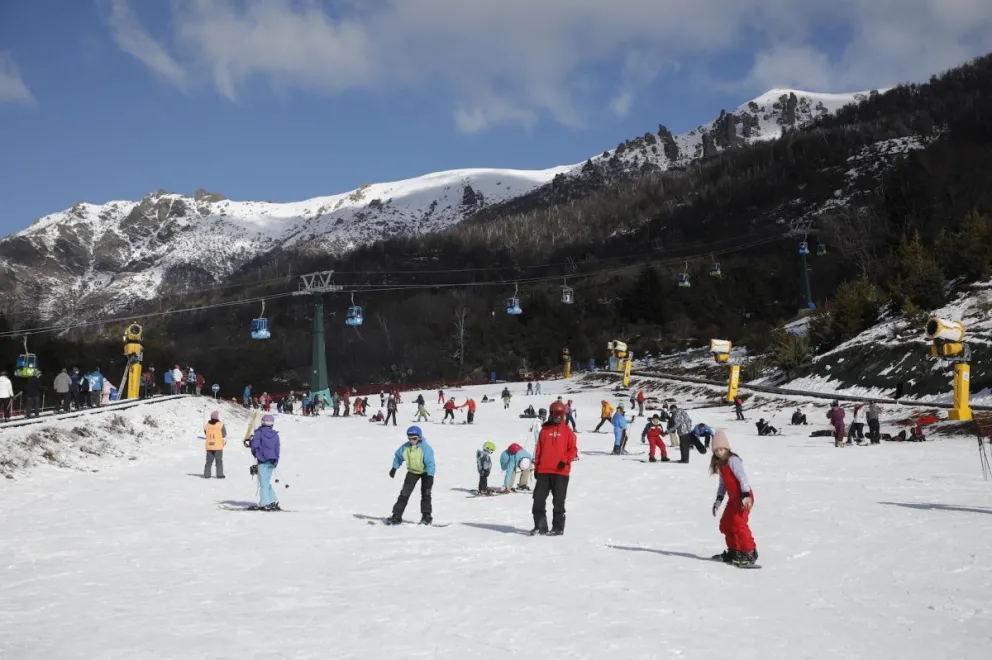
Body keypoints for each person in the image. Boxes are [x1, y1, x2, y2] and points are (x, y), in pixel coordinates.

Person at [710, 430, 758, 567]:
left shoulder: (733, 460)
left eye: (722, 449)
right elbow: (723, 485)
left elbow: (742, 477)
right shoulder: (721, 464)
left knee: (739, 524)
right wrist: (718, 500)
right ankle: (734, 551)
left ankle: (749, 552)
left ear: (727, 448)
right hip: (733, 499)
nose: (719, 452)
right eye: (716, 450)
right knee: (726, 524)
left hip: (744, 497)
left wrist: (745, 495)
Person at [531, 401, 577, 536]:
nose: (558, 416)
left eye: (561, 414)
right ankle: (540, 526)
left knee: (558, 501)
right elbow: (538, 450)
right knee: (538, 499)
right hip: (544, 471)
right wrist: (537, 468)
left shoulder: (568, 431)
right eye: (556, 413)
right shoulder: (544, 431)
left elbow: (573, 449)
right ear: (551, 413)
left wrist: (565, 460)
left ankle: (558, 528)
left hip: (561, 472)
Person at [388, 426, 436, 524]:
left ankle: (426, 516)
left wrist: (430, 476)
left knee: (426, 493)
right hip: (412, 472)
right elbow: (398, 457)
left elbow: (430, 463)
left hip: (425, 473)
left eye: (414, 438)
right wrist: (394, 468)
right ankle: (397, 515)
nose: (412, 441)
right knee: (404, 494)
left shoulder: (425, 448)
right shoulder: (405, 447)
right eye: (409, 438)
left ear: (419, 437)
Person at [249, 414, 281, 510]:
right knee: (265, 481)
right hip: (272, 460)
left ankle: (265, 502)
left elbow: (254, 445)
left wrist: (255, 453)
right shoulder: (275, 435)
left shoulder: (259, 433)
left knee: (263, 482)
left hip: (262, 460)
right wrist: (276, 460)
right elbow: (277, 448)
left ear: (262, 422)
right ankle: (272, 499)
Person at [203, 410, 227, 478]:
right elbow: (224, 434)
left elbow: (206, 433)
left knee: (208, 462)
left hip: (209, 446)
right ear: (217, 417)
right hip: (218, 446)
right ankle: (219, 474)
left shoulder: (207, 425)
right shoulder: (220, 425)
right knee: (218, 461)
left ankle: (207, 475)